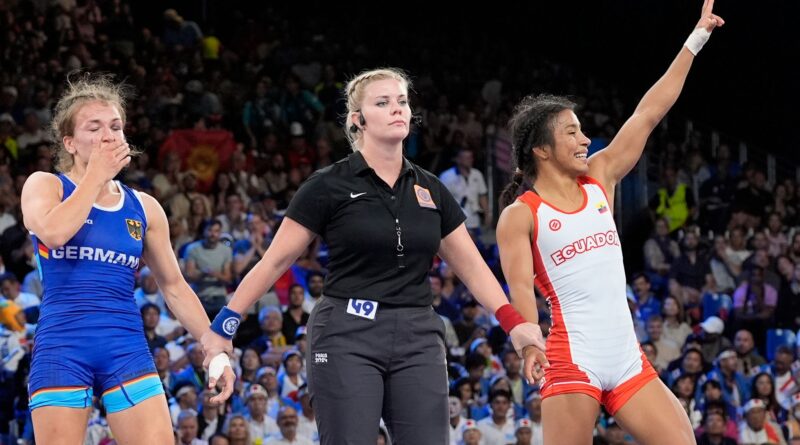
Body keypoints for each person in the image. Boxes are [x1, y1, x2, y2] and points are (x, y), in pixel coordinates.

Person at [202, 67, 544, 444]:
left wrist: (513, 324)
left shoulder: (431, 188)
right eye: (383, 103)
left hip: (418, 336)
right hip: (345, 334)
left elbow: (473, 269)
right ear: (357, 119)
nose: (397, 109)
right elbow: (275, 262)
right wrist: (224, 325)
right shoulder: (327, 185)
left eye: (402, 101)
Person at [495, 3, 724, 443]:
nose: (585, 140)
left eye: (583, 131)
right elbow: (520, 290)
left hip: (626, 357)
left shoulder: (601, 175)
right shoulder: (521, 214)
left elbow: (648, 113)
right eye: (572, 133)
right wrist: (528, 344)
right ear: (541, 150)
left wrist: (696, 40)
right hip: (569, 358)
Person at [19, 74, 234, 444]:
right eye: (95, 127)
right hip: (63, 345)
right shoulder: (45, 185)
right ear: (69, 142)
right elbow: (53, 234)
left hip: (125, 345)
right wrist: (95, 177)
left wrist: (212, 345)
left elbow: (174, 285)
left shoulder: (144, 207)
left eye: (116, 126)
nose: (109, 135)